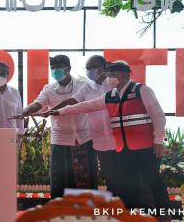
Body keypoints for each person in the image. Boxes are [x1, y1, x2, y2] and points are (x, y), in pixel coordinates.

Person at [44, 61, 170, 213]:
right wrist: (59, 112)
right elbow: (85, 106)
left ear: (125, 75)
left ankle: (164, 215)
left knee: (152, 182)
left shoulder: (141, 90)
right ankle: (134, 215)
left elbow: (159, 117)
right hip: (123, 150)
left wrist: (158, 141)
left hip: (145, 147)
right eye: (109, 75)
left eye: (114, 75)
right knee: (129, 185)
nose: (110, 78)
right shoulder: (110, 96)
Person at [10, 55, 93, 198]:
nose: (55, 71)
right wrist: (23, 112)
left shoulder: (83, 85)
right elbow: (38, 104)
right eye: (52, 68)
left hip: (83, 138)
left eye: (58, 67)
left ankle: (84, 214)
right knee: (59, 179)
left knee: (84, 180)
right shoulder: (49, 88)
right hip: (59, 139)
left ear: (68, 69)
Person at [48, 55, 118, 195]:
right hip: (99, 141)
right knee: (108, 178)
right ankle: (108, 211)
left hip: (118, 140)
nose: (89, 71)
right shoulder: (88, 87)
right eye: (87, 68)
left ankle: (125, 212)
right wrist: (54, 111)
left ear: (104, 68)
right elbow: (73, 101)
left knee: (121, 179)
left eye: (93, 67)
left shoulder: (115, 85)